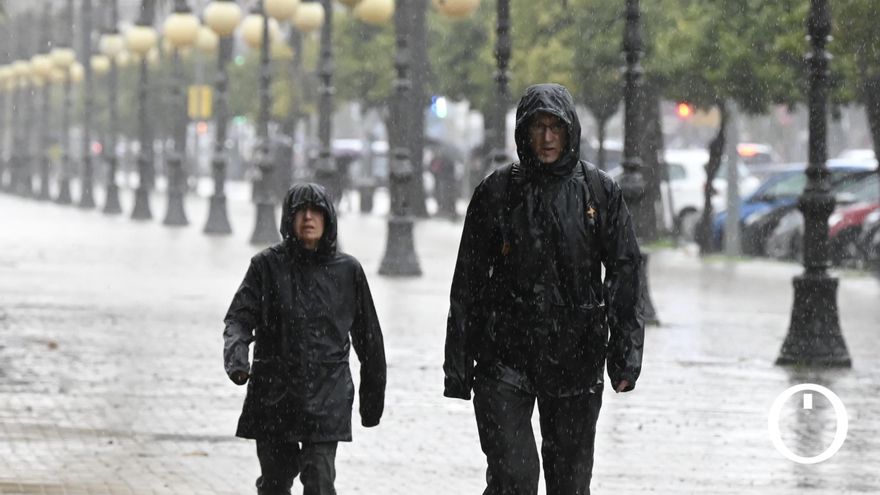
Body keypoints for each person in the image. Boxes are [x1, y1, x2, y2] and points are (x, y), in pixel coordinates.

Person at [443, 83, 644, 495]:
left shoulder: (598, 191)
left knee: (569, 482)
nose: (548, 137)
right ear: (524, 131)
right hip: (505, 358)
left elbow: (624, 273)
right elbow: (468, 283)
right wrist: (459, 364)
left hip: (576, 358)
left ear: (570, 132)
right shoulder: (496, 193)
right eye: (538, 127)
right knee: (514, 478)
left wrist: (624, 354)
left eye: (556, 127)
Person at [223, 183, 387, 495]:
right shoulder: (266, 267)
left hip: (327, 395)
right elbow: (239, 319)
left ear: (328, 219)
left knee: (319, 480)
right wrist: (237, 360)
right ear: (289, 218)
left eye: (316, 211)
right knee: (274, 482)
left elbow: (370, 342)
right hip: (275, 394)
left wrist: (372, 403)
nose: (308, 218)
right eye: (301, 211)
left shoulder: (347, 271)